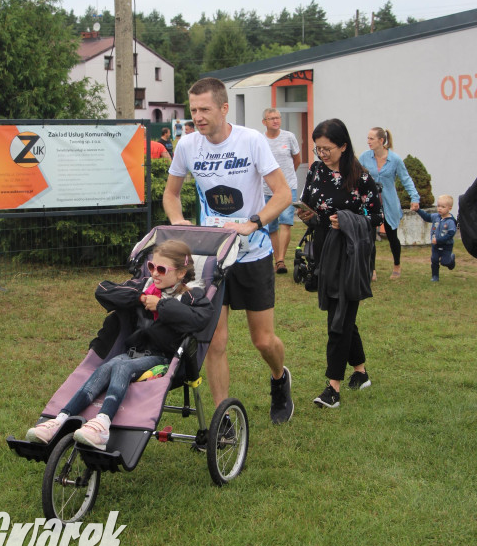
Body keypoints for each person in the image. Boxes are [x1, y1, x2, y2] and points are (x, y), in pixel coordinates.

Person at [163, 77, 294, 425]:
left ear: (224, 108)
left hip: (253, 254)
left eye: (205, 109)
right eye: (193, 110)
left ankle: (279, 378)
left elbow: (283, 194)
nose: (198, 116)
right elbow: (171, 194)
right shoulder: (187, 145)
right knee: (214, 340)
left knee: (263, 341)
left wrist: (254, 222)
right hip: (213, 258)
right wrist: (178, 221)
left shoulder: (251, 141)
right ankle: (223, 419)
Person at [25, 241, 213, 450]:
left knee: (121, 366)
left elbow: (200, 319)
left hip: (165, 361)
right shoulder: (144, 286)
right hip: (134, 353)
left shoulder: (190, 296)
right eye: (151, 266)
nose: (154, 273)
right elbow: (103, 290)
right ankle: (60, 419)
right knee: (107, 366)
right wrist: (140, 297)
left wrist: (161, 305)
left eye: (161, 269)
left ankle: (103, 423)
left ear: (180, 273)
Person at [298, 118, 383, 409]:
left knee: (339, 317)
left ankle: (332, 388)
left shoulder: (360, 177)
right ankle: (360, 372)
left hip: (350, 253)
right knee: (342, 312)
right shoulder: (315, 170)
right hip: (324, 249)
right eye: (318, 148)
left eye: (327, 149)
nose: (322, 154)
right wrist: (308, 215)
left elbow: (376, 217)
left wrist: (345, 220)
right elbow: (310, 203)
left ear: (343, 146)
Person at [359, 127, 419, 281]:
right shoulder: (364, 157)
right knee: (370, 237)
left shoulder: (395, 159)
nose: (368, 141)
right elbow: (356, 176)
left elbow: (406, 179)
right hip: (370, 203)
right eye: (368, 138)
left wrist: (414, 198)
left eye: (371, 138)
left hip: (389, 202)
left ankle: (397, 265)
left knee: (392, 236)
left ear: (381, 140)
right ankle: (372, 269)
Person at [262, 107, 301, 274]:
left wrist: (286, 179)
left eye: (278, 117)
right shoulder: (260, 140)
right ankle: (276, 258)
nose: (276, 121)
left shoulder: (289, 137)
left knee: (286, 222)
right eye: (272, 118)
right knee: (271, 226)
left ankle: (280, 260)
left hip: (288, 187)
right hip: (266, 189)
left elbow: (297, 160)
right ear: (264, 122)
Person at [415, 195, 457, 281]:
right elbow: (427, 217)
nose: (439, 208)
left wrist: (438, 240)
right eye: (438, 206)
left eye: (443, 207)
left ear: (449, 208)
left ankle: (451, 260)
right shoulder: (436, 217)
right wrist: (418, 210)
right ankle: (435, 276)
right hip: (435, 245)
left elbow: (450, 235)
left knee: (444, 262)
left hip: (446, 246)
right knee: (434, 260)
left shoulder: (451, 221)